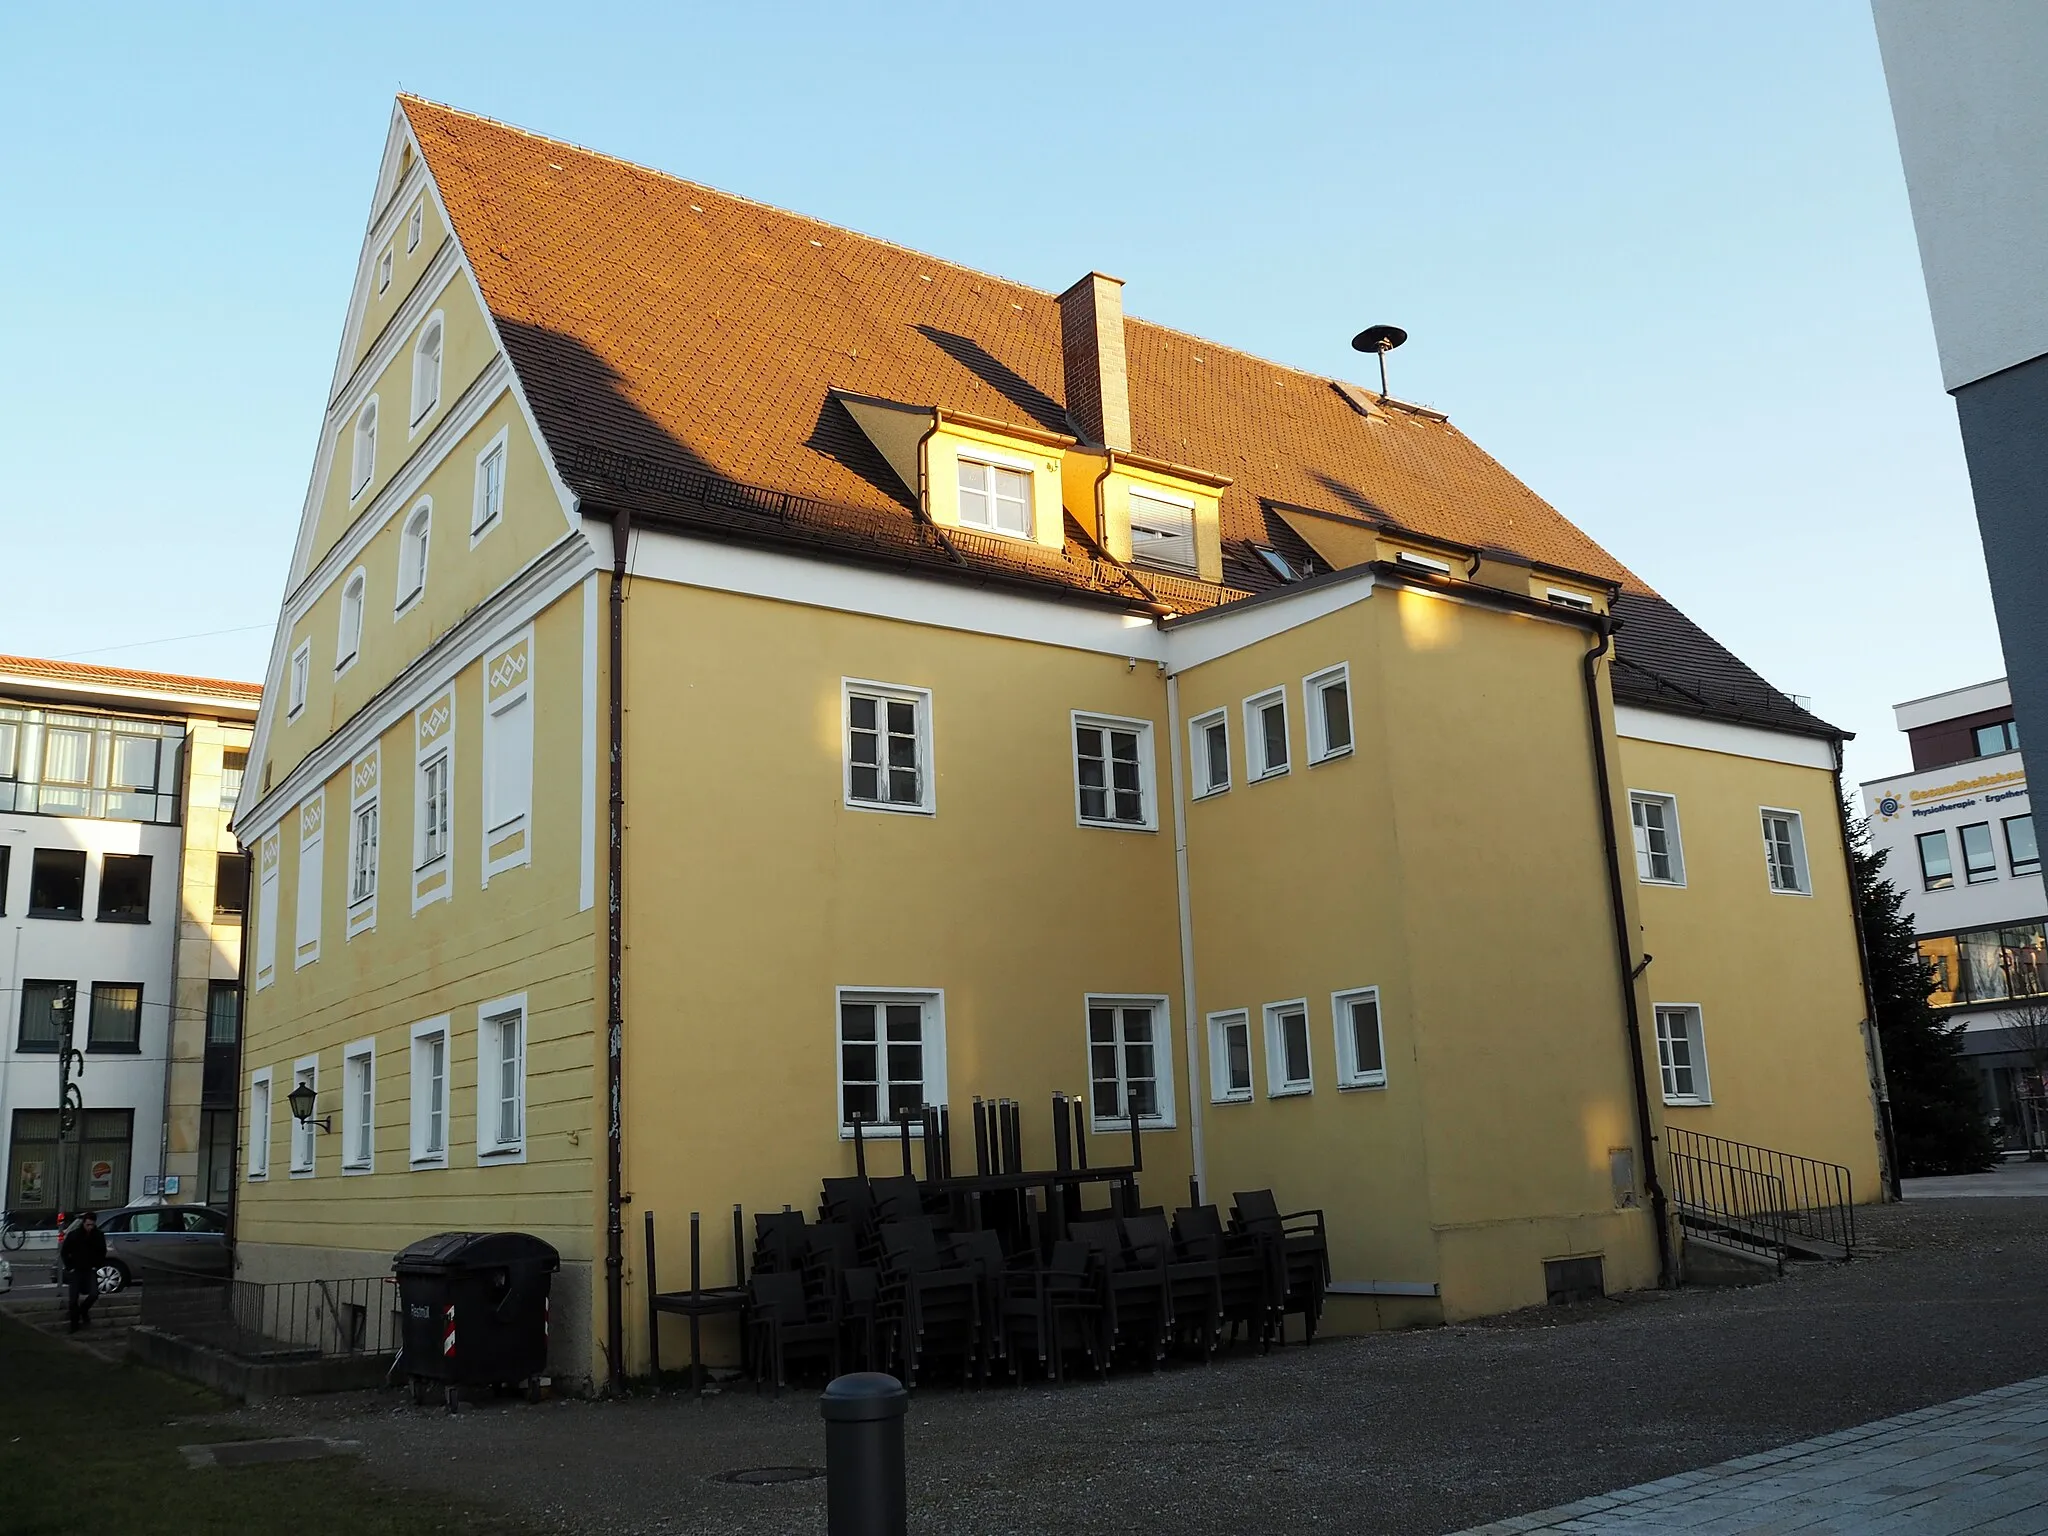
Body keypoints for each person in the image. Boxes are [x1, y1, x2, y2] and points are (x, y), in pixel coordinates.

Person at [58, 1212, 106, 1333]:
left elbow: (102, 1251)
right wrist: (70, 1267)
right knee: (73, 1298)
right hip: (76, 1269)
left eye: (92, 1225)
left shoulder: (98, 1235)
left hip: (90, 1269)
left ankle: (83, 1311)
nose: (90, 1227)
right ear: (84, 1223)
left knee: (94, 1294)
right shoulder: (74, 1235)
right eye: (88, 1224)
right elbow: (64, 1252)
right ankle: (74, 1325)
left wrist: (97, 1265)